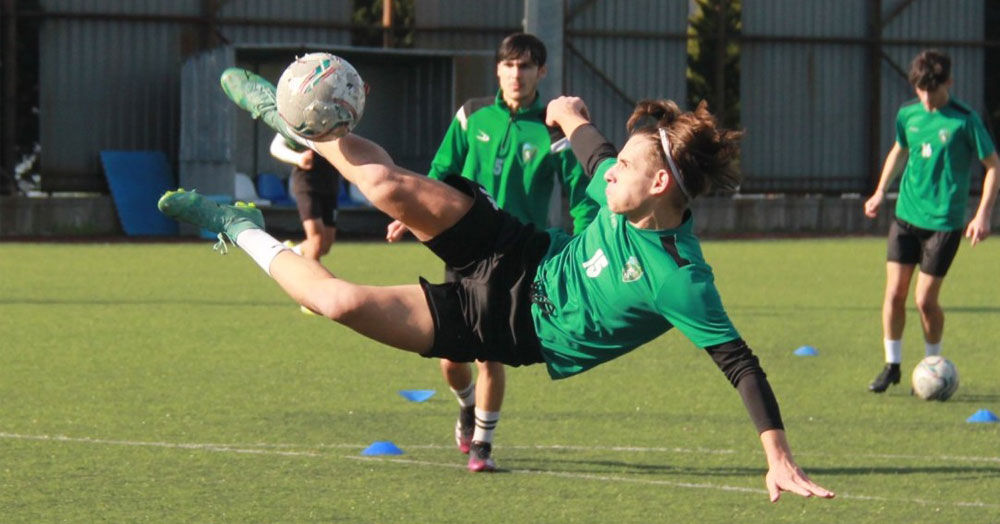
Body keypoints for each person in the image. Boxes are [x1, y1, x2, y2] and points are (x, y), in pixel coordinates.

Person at [164, 65, 835, 501]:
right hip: (518, 250)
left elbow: (739, 363)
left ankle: (234, 224)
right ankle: (293, 119)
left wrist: (776, 455)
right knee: (385, 184)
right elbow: (593, 147)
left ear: (659, 185)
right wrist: (570, 116)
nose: (609, 174)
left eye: (626, 168)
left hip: (506, 326)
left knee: (334, 300)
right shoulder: (623, 189)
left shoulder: (681, 279)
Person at [384, 33, 599, 471]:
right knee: (450, 360)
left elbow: (580, 195)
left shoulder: (554, 131)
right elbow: (441, 170)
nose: (516, 74)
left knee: (489, 354)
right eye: (509, 65)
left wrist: (588, 243)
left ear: (541, 72)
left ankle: (483, 445)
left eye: (526, 67)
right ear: (497, 70)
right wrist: (409, 211)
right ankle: (466, 406)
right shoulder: (472, 115)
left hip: (517, 257)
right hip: (464, 246)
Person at [863, 49, 998, 393]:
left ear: (948, 83)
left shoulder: (965, 120)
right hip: (906, 216)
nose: (925, 97)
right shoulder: (909, 114)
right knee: (894, 294)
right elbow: (900, 149)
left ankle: (931, 364)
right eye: (920, 89)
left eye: (931, 90)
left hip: (944, 223)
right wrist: (880, 191)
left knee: (924, 300)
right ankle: (892, 365)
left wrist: (983, 214)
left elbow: (993, 165)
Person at [269, 134, 343, 315]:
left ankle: (296, 251)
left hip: (331, 184)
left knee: (325, 245)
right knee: (316, 239)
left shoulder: (338, 121)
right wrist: (298, 158)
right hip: (307, 182)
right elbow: (276, 147)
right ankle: (310, 297)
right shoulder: (300, 118)